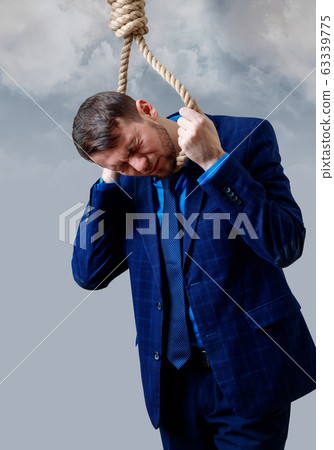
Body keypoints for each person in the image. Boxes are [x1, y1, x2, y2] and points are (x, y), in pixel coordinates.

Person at [71, 91, 316, 449]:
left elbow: (285, 244)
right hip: (172, 386)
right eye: (123, 163)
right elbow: (89, 274)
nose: (139, 166)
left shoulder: (244, 138)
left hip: (249, 368)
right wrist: (108, 181)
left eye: (137, 147)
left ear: (147, 110)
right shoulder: (123, 182)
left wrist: (215, 162)